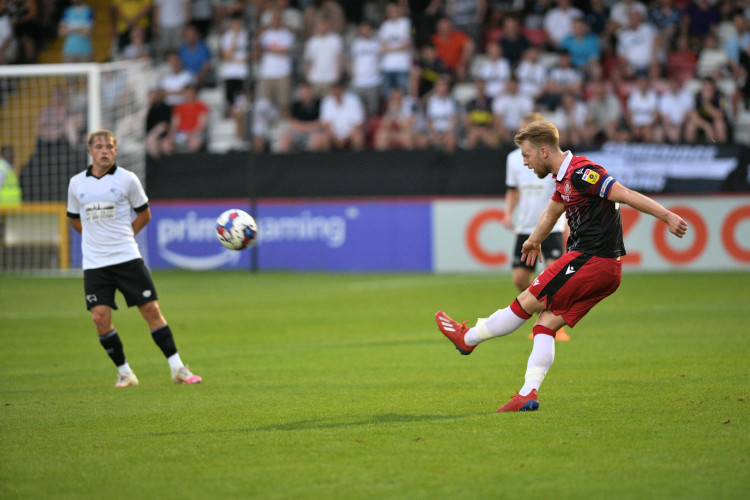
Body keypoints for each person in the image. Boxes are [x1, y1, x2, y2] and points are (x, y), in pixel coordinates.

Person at [435, 119, 688, 412]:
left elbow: (626, 195)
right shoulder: (563, 179)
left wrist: (667, 216)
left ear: (544, 151)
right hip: (607, 270)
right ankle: (528, 393)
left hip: (590, 260)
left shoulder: (584, 173)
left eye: (527, 155)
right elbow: (551, 213)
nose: (525, 163)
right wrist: (533, 241)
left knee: (526, 301)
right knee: (546, 324)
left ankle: (468, 339)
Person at [67, 130, 202, 388]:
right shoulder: (76, 184)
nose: (104, 150)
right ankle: (125, 372)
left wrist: (124, 235)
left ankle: (178, 368)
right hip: (95, 263)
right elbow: (74, 219)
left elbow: (144, 214)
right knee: (99, 317)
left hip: (127, 257)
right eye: (99, 146)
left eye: (109, 146)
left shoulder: (127, 179)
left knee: (151, 310)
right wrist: (94, 239)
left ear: (115, 151)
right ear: (90, 151)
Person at [503, 112, 569, 341]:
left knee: (553, 275)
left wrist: (566, 223)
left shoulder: (552, 160)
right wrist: (507, 213)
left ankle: (552, 325)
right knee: (520, 280)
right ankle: (542, 309)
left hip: (552, 227)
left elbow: (564, 194)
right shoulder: (514, 159)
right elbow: (512, 190)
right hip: (525, 227)